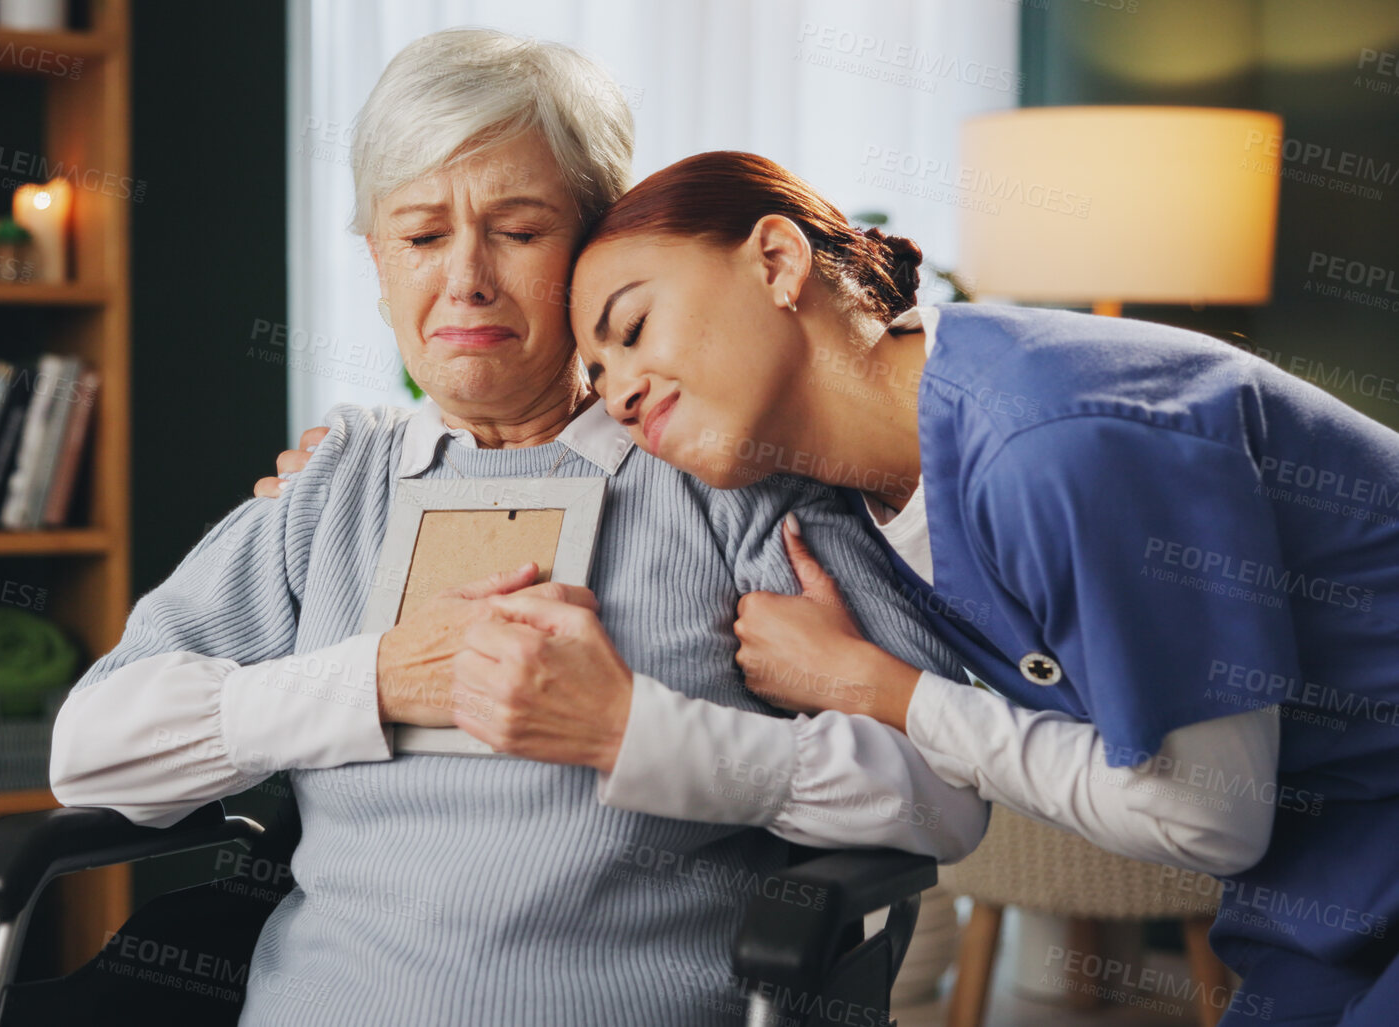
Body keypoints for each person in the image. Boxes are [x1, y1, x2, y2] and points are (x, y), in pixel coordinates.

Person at [267, 148, 1399, 1025]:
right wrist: (353, 461)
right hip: (1333, 876)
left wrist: (878, 686)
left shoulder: (1058, 445)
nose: (614, 392)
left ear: (776, 260)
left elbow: (1208, 816)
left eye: (631, 327)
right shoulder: (858, 503)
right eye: (595, 373)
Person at [56, 34, 985, 1027]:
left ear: (595, 248)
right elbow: (91, 750)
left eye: (518, 229)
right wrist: (369, 681)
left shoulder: (730, 475)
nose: (466, 278)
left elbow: (943, 788)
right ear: (377, 262)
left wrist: (640, 731)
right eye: (419, 237)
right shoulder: (331, 487)